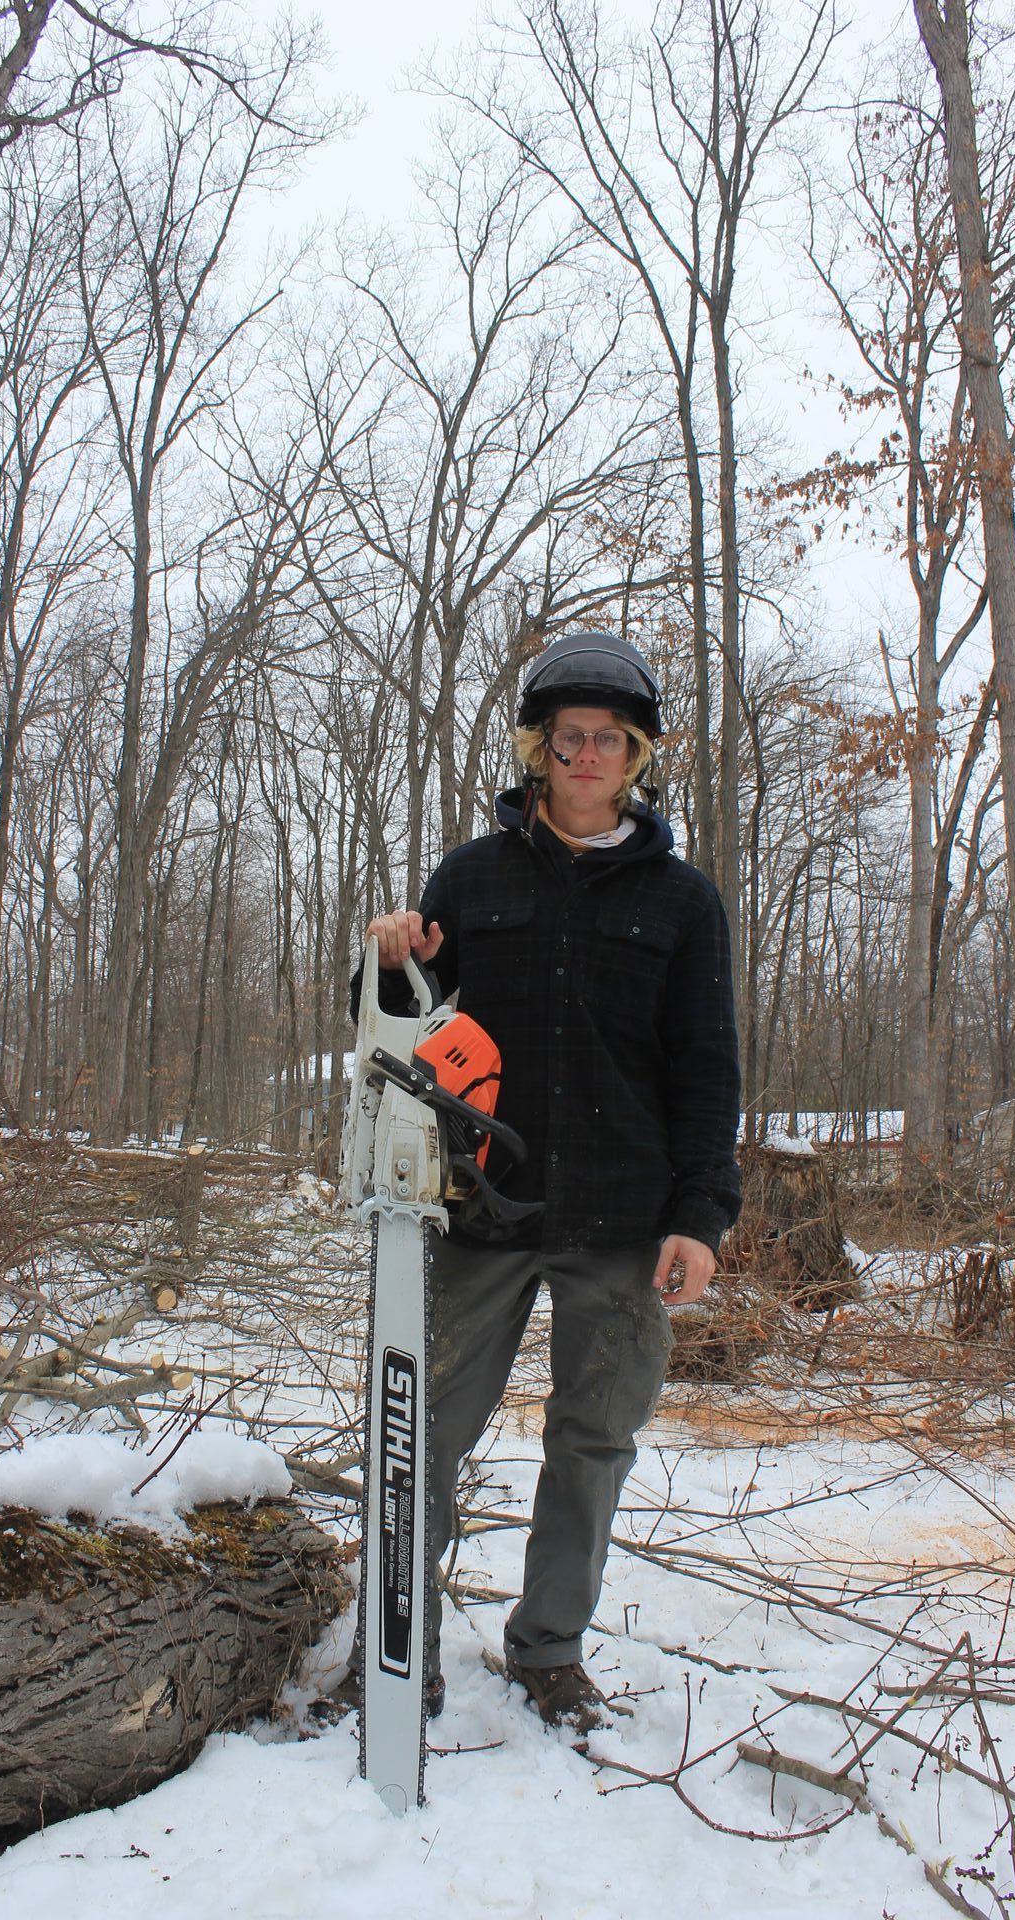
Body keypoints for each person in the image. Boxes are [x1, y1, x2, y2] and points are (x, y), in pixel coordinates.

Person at [355, 630, 740, 1733]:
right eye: (566, 736)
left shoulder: (680, 902)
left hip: (624, 1220)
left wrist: (700, 1216)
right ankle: (398, 1645)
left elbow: (707, 1068)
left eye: (606, 739)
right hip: (479, 1207)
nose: (584, 754)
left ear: (635, 755)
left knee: (590, 1440)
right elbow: (405, 1032)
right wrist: (391, 959)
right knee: (417, 1425)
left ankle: (549, 1648)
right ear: (537, 748)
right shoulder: (472, 876)